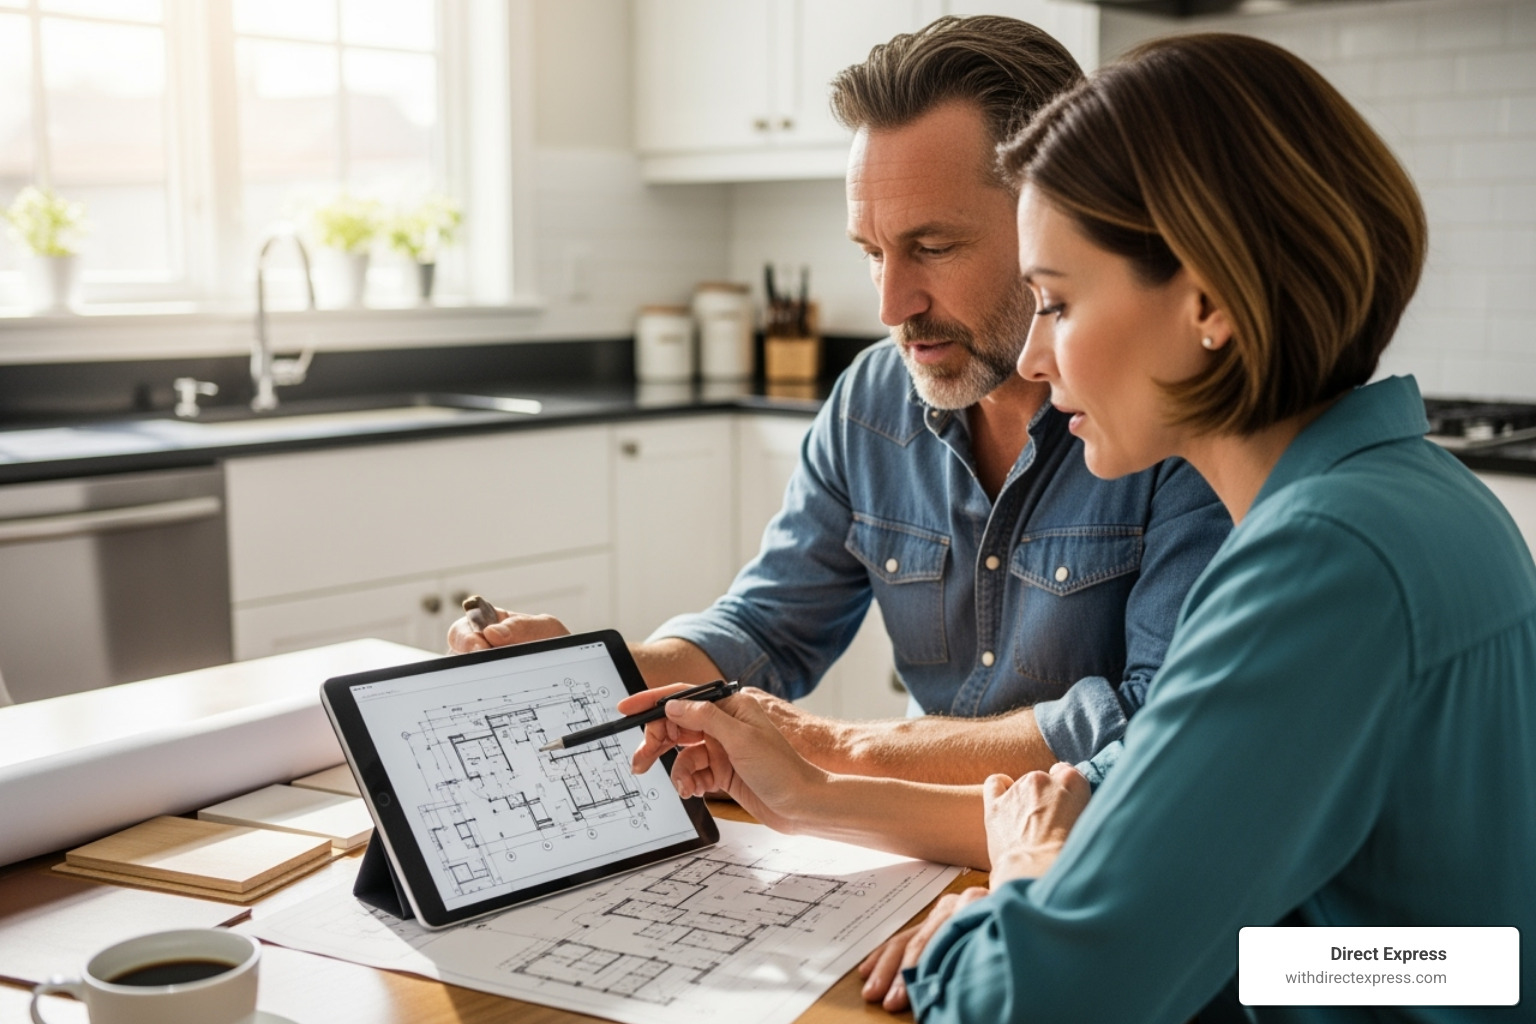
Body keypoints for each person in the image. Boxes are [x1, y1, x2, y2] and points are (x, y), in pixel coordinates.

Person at [629, 31, 1536, 1022]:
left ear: (1207, 302)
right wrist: (833, 797)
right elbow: (1448, 958)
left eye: (1056, 302)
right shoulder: (1421, 501)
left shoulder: (1321, 560)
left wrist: (1027, 879)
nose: (1037, 357)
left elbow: (1024, 1002)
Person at [450, 16, 1229, 803]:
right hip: (918, 828)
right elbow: (766, 627)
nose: (892, 306)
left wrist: (835, 750)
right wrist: (593, 670)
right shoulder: (872, 399)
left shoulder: (1175, 420)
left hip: (1090, 839)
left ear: (1054, 221)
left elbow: (1154, 727)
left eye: (934, 247)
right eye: (871, 253)